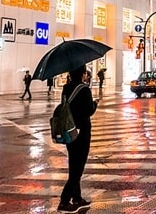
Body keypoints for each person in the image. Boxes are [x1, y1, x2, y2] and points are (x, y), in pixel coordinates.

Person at [58, 65, 98, 212]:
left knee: (73, 164)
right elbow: (88, 110)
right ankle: (64, 200)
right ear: (83, 73)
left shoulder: (66, 88)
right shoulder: (84, 89)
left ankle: (77, 198)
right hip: (82, 132)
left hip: (70, 131)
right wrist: (94, 104)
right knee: (78, 169)